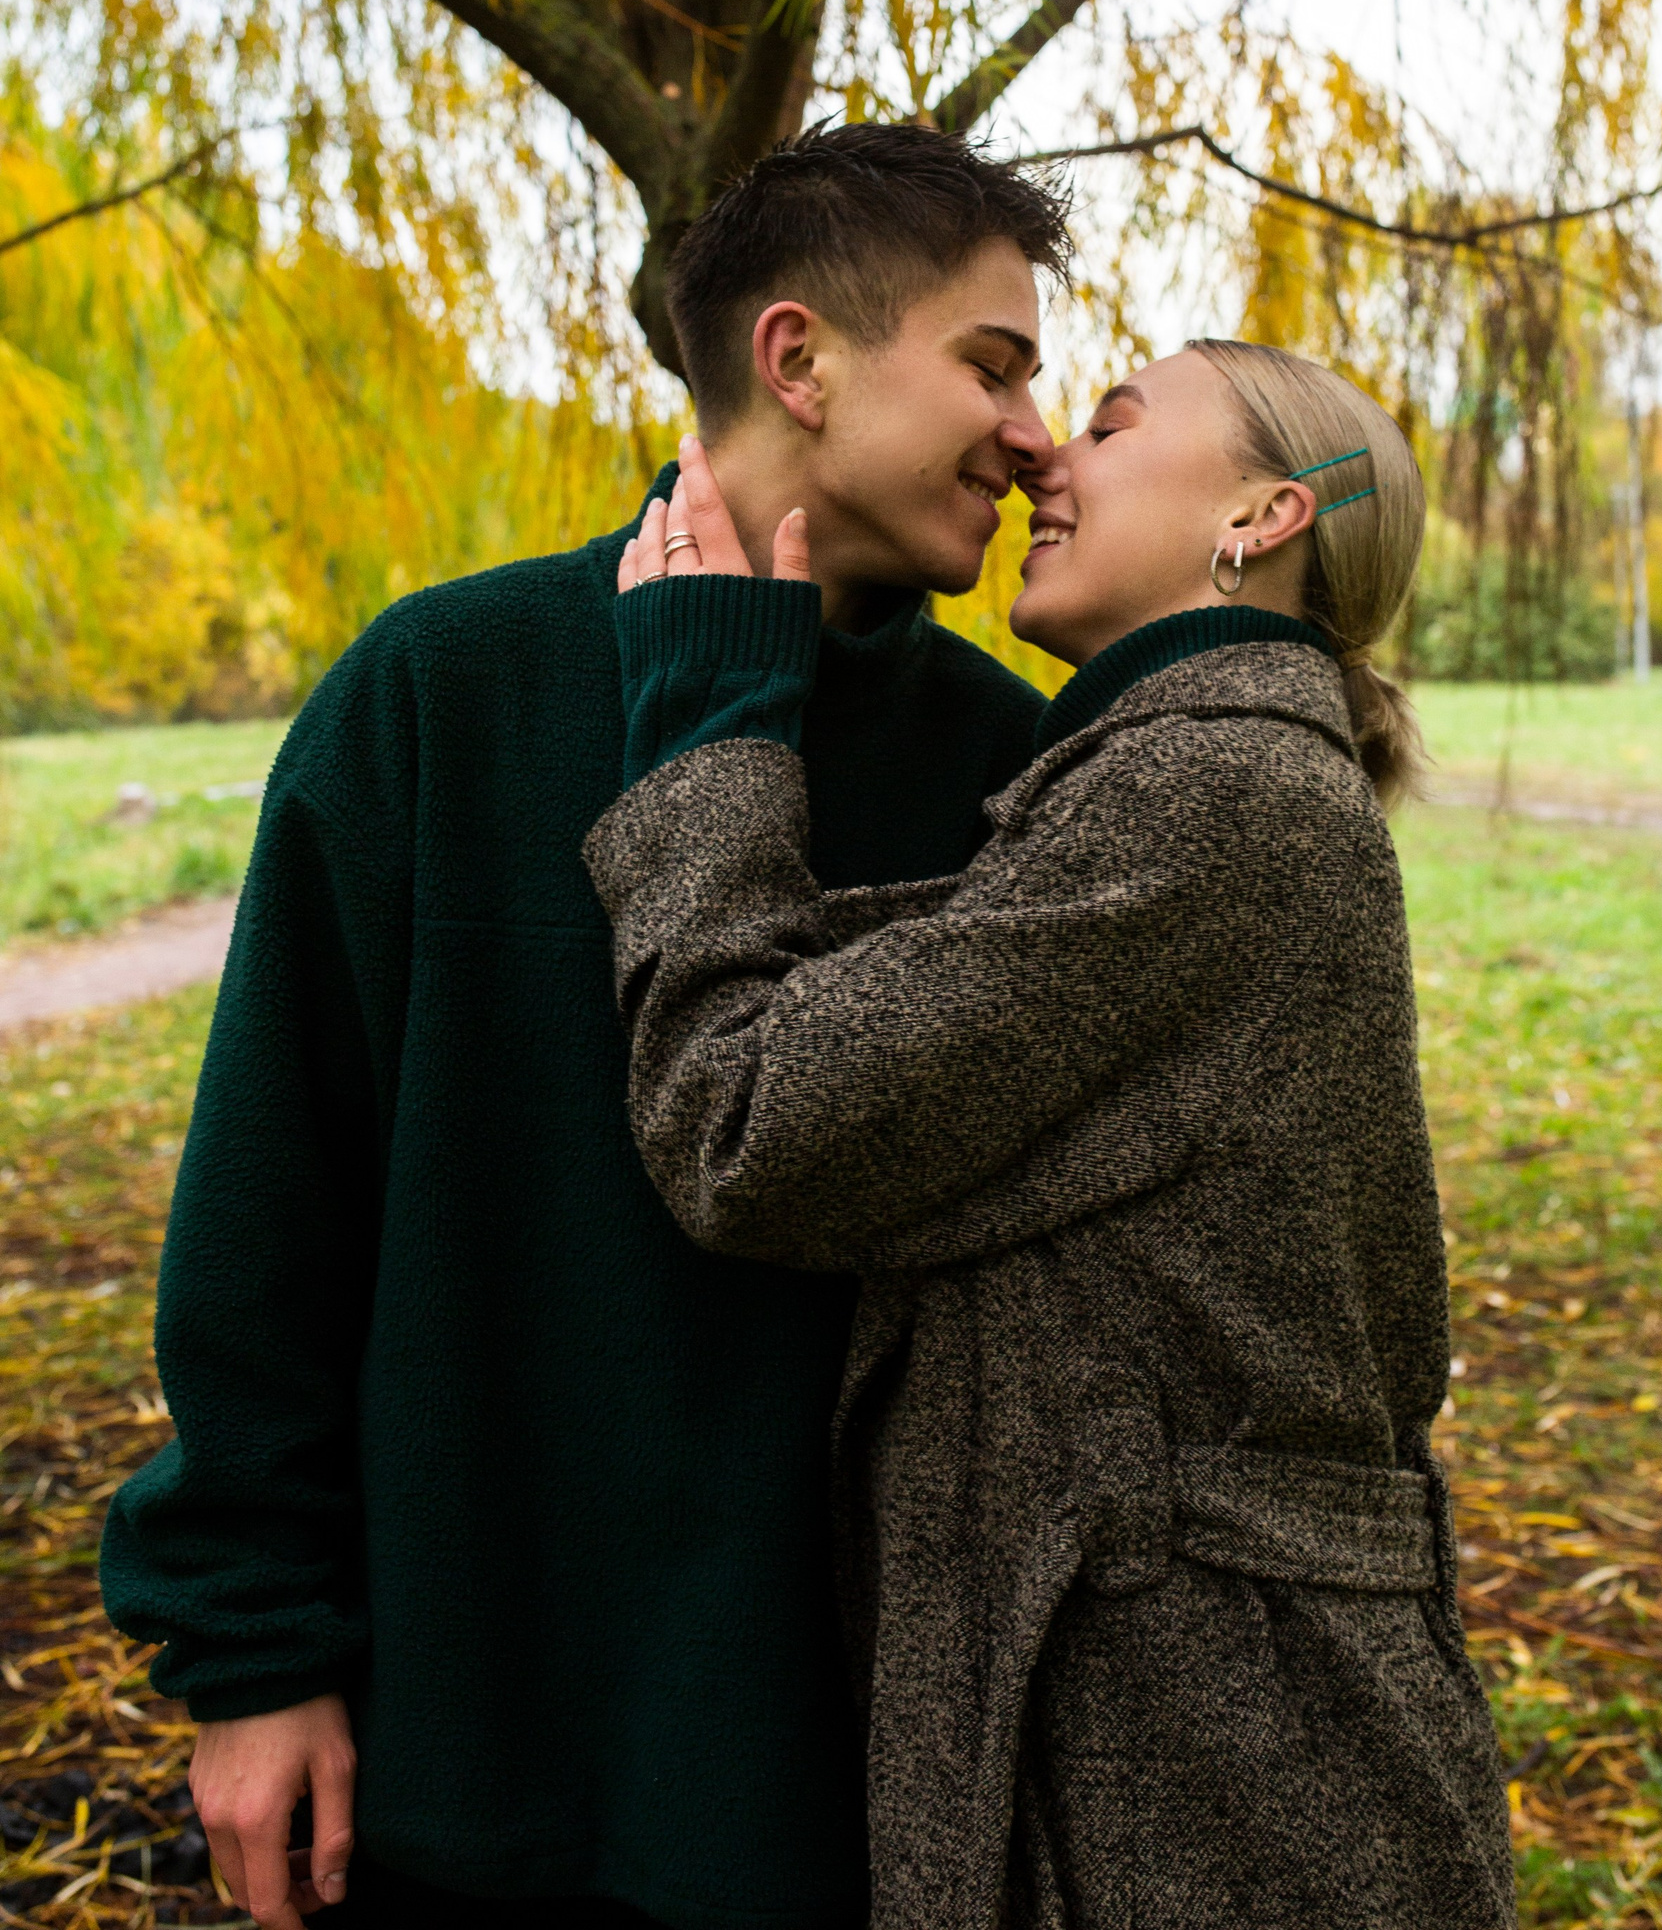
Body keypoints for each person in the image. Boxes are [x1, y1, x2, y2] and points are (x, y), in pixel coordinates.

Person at [100, 124, 1072, 1930]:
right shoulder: (440, 692)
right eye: (994, 365)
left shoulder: (1012, 769)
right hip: (455, 1761)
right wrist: (252, 1652)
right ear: (799, 359)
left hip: (853, 1797)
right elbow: (267, 1209)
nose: (1035, 433)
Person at [585, 342, 1519, 1930]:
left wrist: (710, 732)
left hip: (1212, 1780)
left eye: (1108, 423)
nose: (1042, 458)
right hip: (1211, 1745)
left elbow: (749, 1124)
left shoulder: (1217, 798)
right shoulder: (1186, 781)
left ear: (1263, 517)